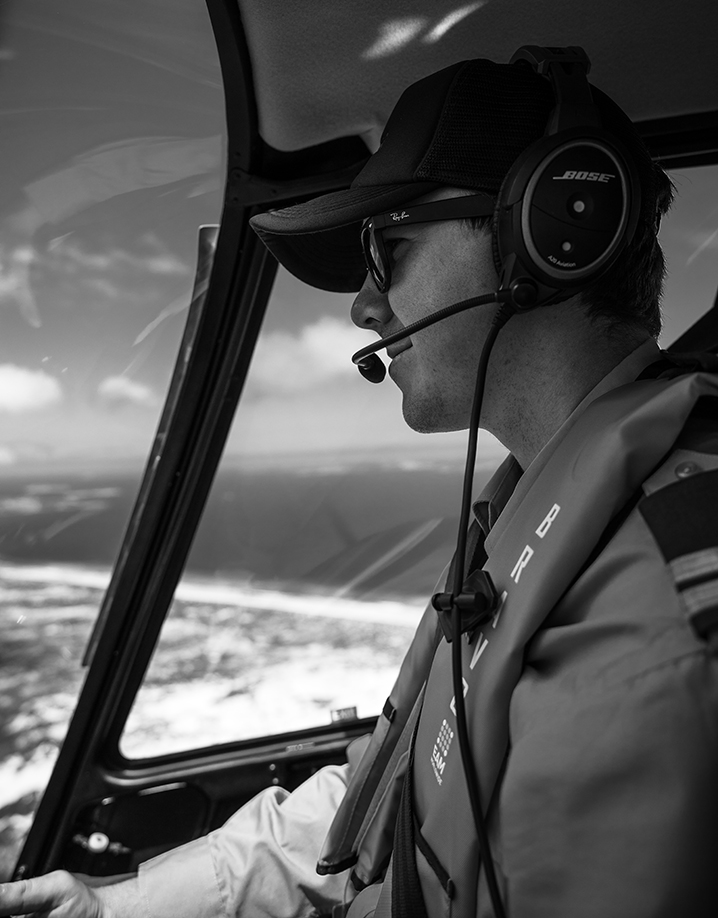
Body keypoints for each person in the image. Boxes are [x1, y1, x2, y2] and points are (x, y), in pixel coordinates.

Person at [2, 51, 717, 918]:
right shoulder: (530, 509)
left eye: (392, 245)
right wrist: (113, 908)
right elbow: (392, 805)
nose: (363, 307)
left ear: (559, 228)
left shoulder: (650, 631)